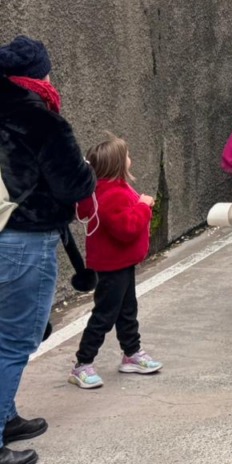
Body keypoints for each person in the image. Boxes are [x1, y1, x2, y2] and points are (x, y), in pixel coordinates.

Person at [0, 37, 96, 462]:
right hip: (25, 239)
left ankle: (6, 415)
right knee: (15, 340)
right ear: (38, 75)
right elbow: (73, 184)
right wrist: (88, 173)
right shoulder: (40, 119)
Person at [69, 136, 162, 389]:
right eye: (127, 154)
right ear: (118, 164)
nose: (131, 158)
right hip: (114, 265)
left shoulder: (103, 189)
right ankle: (82, 364)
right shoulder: (114, 194)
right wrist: (144, 206)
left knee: (126, 310)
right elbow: (127, 229)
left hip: (118, 263)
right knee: (105, 314)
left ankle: (131, 352)